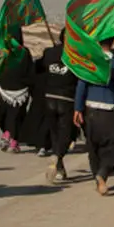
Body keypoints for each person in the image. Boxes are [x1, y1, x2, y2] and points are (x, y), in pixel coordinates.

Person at [74, 36, 114, 196]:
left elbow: (81, 85)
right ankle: (103, 173)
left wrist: (77, 108)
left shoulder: (89, 61)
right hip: (110, 110)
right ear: (112, 43)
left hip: (90, 109)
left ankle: (98, 177)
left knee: (93, 147)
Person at [38, 27, 77, 183]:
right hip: (67, 98)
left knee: (55, 134)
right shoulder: (76, 56)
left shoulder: (49, 53)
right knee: (66, 134)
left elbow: (39, 68)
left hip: (49, 97)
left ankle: (60, 168)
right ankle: (57, 157)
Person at [0, 26, 33, 153]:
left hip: (17, 91)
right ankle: (9, 135)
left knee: (11, 116)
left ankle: (13, 140)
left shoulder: (22, 53)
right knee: (8, 117)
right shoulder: (6, 51)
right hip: (9, 90)